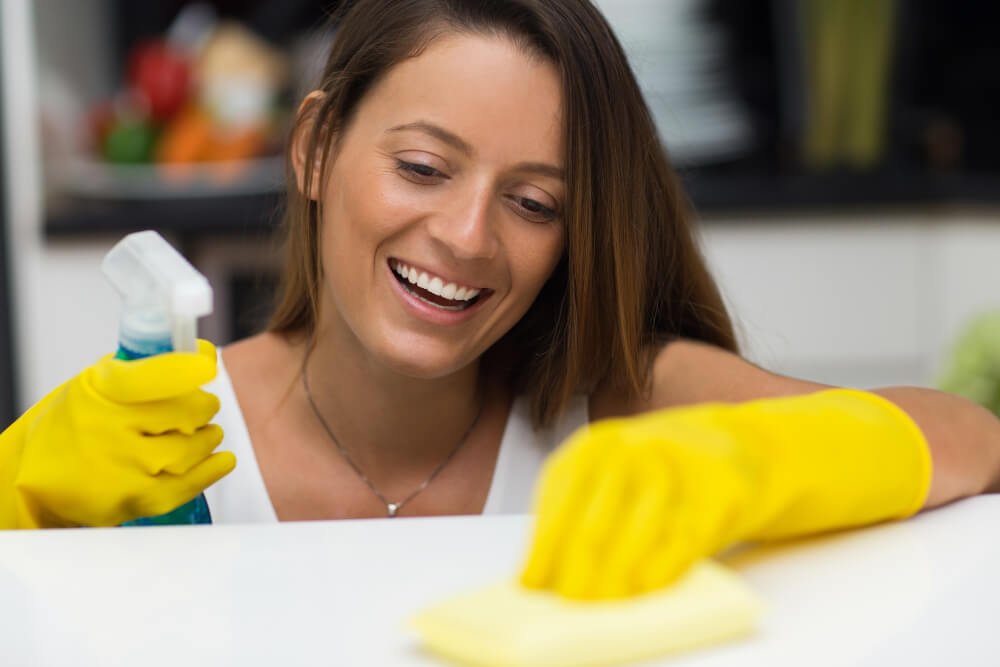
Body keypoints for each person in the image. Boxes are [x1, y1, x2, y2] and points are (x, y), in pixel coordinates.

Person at [1, 0, 998, 602]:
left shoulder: (607, 405)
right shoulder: (154, 442)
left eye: (532, 201)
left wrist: (751, 459)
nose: (468, 237)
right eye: (425, 166)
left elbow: (968, 436)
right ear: (314, 148)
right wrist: (18, 492)